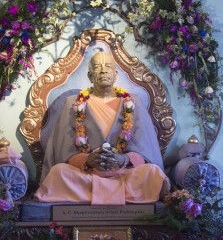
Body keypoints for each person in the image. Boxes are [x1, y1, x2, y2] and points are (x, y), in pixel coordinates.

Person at [34, 51, 170, 205]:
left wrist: (124, 159)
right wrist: (87, 160)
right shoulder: (72, 103)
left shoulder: (134, 102)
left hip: (125, 173)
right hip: (86, 174)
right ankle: (122, 194)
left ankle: (93, 195)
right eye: (97, 66)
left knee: (152, 173)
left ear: (116, 74)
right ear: (90, 75)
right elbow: (63, 149)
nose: (103, 70)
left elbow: (145, 147)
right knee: (58, 173)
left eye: (108, 66)